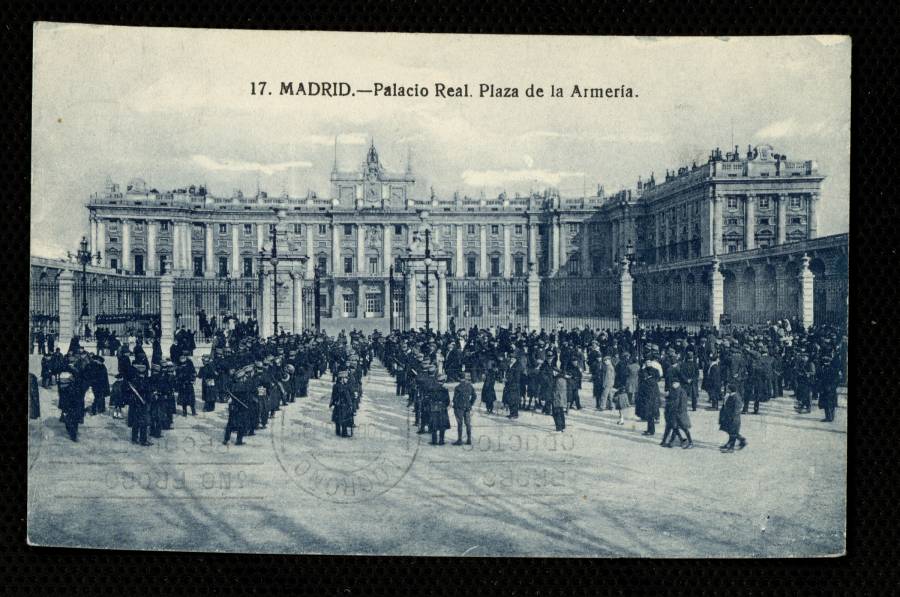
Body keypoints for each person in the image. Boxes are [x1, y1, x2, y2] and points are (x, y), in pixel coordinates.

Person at [719, 382, 747, 452]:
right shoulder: (731, 395)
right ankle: (734, 443)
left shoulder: (735, 397)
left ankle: (731, 448)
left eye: (727, 388)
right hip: (729, 417)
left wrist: (732, 417)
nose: (726, 389)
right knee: (730, 432)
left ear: (730, 390)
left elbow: (737, 409)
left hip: (733, 419)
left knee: (733, 433)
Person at [637, 360, 661, 437]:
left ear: (651, 363)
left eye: (649, 363)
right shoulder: (643, 371)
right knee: (649, 413)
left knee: (650, 414)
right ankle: (650, 429)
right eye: (646, 363)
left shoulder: (655, 371)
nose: (648, 364)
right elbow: (640, 377)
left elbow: (658, 378)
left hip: (652, 396)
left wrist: (649, 378)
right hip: (646, 395)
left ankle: (651, 431)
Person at [452, 371, 476, 445]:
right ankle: (469, 439)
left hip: (459, 407)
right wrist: (470, 403)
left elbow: (455, 399)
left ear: (459, 378)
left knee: (460, 423)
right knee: (468, 423)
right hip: (467, 407)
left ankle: (459, 440)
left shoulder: (457, 387)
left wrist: (455, 405)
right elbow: (474, 396)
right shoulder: (470, 386)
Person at [57, 371, 83, 441]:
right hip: (71, 405)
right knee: (72, 420)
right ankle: (73, 435)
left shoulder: (65, 386)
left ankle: (73, 434)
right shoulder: (70, 385)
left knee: (70, 420)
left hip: (70, 405)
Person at [330, 370, 355, 438]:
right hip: (344, 405)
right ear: (342, 379)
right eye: (346, 378)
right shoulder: (345, 387)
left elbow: (333, 395)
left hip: (337, 405)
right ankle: (344, 433)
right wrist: (350, 405)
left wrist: (333, 402)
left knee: (337, 419)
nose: (347, 379)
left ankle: (338, 432)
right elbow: (348, 397)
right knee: (344, 419)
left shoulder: (335, 386)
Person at [430, 375, 452, 446]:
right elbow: (448, 401)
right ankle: (441, 440)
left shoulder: (432, 388)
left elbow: (430, 398)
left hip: (434, 408)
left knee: (434, 424)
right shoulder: (445, 390)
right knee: (442, 424)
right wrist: (444, 406)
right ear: (443, 382)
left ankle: (434, 441)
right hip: (442, 408)